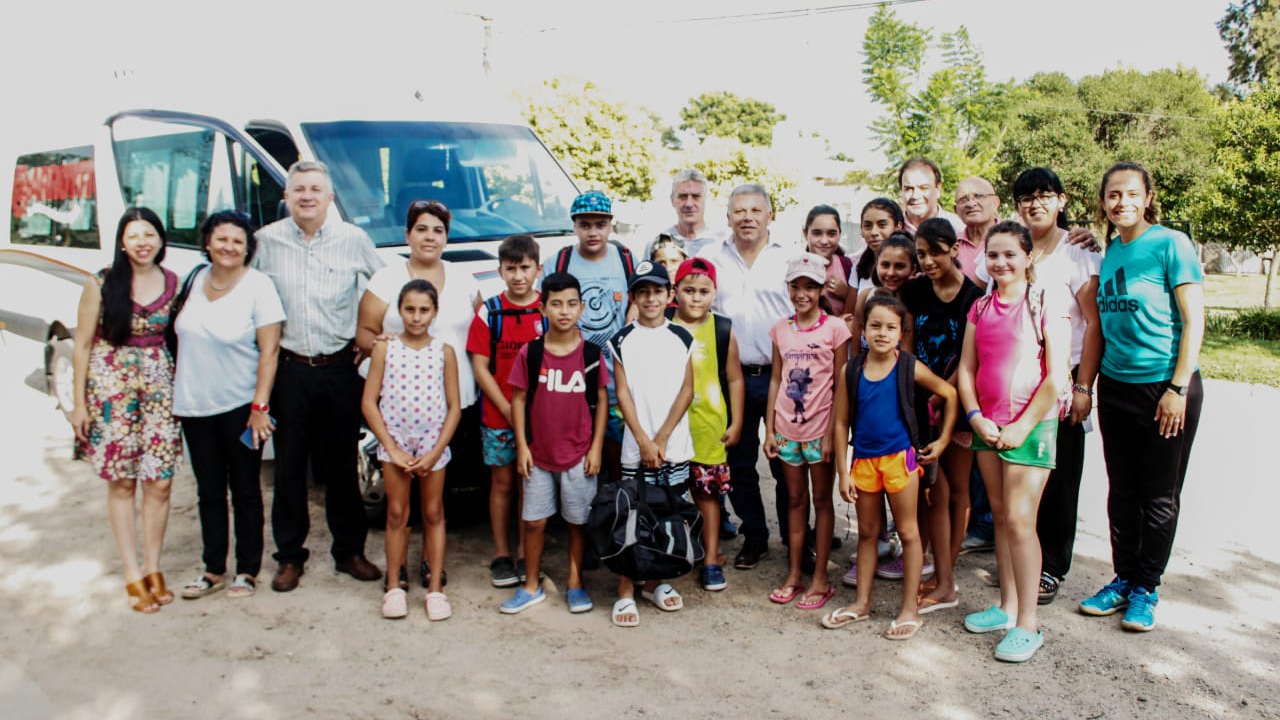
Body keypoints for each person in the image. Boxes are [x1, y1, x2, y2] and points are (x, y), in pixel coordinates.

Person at [1079, 162, 1204, 633]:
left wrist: (1178, 388)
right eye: (1113, 195)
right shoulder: (1110, 250)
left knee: (1158, 496)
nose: (1121, 202)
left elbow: (1193, 320)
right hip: (1117, 387)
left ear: (1148, 196)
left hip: (1164, 387)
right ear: (1103, 202)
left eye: (1131, 193)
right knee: (1122, 492)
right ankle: (1123, 578)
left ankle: (1147, 589)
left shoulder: (1172, 244)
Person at [254, 160, 384, 592]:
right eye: (299, 189)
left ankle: (349, 552)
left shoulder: (354, 240)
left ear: (330, 197)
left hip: (339, 371)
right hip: (290, 370)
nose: (307, 196)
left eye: (315, 189)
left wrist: (370, 339)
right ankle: (289, 558)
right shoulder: (265, 242)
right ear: (286, 197)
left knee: (342, 467)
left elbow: (384, 288)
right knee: (289, 468)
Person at [976, 168, 1101, 606]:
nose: (1035, 203)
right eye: (1026, 196)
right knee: (1013, 498)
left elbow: (1094, 323)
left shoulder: (1078, 251)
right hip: (1006, 391)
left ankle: (1051, 568)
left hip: (1059, 382)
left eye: (1045, 195)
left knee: (1059, 481)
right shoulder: (1006, 248)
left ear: (1062, 201)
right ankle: (1018, 579)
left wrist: (1083, 385)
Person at [958, 221, 1070, 663]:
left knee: (1022, 524)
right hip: (988, 427)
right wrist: (975, 417)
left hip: (1031, 428)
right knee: (1002, 518)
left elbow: (1057, 377)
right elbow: (966, 369)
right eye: (993, 255)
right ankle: (1006, 607)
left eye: (1009, 254)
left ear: (1028, 257)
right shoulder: (980, 307)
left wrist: (1021, 427)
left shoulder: (1045, 302)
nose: (1000, 263)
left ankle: (1029, 624)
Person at [357, 199, 481, 589]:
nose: (430, 237)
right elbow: (363, 332)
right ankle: (399, 568)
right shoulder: (386, 279)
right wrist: (381, 341)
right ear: (407, 234)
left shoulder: (464, 280)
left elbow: (482, 331)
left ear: (447, 236)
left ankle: (431, 563)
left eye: (438, 230)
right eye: (422, 229)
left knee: (438, 501)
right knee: (400, 502)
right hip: (399, 408)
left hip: (454, 404)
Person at [69, 207, 183, 613]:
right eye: (134, 235)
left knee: (160, 482)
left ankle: (154, 568)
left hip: (159, 392)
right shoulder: (101, 283)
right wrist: (79, 404)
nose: (142, 242)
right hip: (110, 392)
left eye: (149, 234)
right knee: (121, 483)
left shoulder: (174, 283)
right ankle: (133, 573)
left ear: (161, 239)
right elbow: (81, 345)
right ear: (122, 241)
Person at [826, 294, 956, 640]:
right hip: (864, 462)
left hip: (901, 459)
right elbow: (840, 424)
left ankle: (909, 609)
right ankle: (861, 603)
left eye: (891, 327)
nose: (882, 333)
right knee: (868, 534)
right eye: (875, 326)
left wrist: (941, 442)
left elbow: (949, 393)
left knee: (909, 533)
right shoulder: (851, 369)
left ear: (902, 332)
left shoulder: (909, 366)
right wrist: (843, 471)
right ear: (862, 329)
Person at [173, 211, 284, 601]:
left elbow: (269, 352)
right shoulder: (192, 281)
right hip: (193, 405)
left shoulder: (259, 286)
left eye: (238, 241)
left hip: (241, 405)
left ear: (248, 248)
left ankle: (248, 570)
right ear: (207, 242)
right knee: (208, 491)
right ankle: (213, 568)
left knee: (246, 489)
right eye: (222, 239)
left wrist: (260, 405)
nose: (229, 247)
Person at [697, 183, 796, 570]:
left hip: (780, 377)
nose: (748, 217)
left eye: (756, 210)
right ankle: (754, 536)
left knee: (784, 461)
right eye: (739, 211)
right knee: (738, 462)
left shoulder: (788, 258)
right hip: (729, 378)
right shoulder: (711, 258)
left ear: (770, 215)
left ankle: (794, 538)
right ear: (728, 217)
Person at [502, 272, 609, 615]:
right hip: (539, 455)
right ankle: (531, 584)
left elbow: (603, 401)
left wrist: (595, 448)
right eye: (556, 304)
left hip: (579, 455)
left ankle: (576, 584)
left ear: (581, 308)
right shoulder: (531, 353)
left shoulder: (592, 354)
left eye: (572, 304)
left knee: (578, 521)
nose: (564, 311)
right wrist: (522, 446)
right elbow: (518, 400)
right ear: (543, 307)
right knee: (534, 522)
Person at [363, 279, 461, 620]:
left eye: (424, 310)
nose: (416, 317)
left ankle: (435, 588)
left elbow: (454, 407)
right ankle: (394, 585)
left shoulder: (444, 351)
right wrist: (392, 447)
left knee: (433, 513)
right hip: (396, 444)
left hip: (433, 444)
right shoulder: (384, 349)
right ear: (399, 310)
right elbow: (369, 402)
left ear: (435, 312)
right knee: (396, 513)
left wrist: (436, 452)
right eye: (409, 309)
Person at [902, 218, 984, 614]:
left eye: (936, 251)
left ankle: (945, 573)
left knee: (956, 488)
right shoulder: (915, 290)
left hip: (957, 399)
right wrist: (924, 394)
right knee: (933, 487)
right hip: (921, 399)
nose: (929, 260)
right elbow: (909, 342)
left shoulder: (973, 296)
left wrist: (942, 394)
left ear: (955, 249)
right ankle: (937, 567)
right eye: (921, 254)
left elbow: (970, 355)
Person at [609, 261, 695, 627]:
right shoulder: (621, 340)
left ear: (669, 295)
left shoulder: (682, 337)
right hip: (636, 447)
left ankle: (656, 581)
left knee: (665, 514)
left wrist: (660, 438)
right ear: (633, 297)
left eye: (657, 291)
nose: (650, 298)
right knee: (632, 516)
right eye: (642, 292)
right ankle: (626, 589)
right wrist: (644, 440)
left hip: (672, 445)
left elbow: (687, 390)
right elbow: (623, 394)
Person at [764, 253, 852, 611]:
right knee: (794, 500)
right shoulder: (780, 329)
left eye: (810, 287)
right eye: (796, 286)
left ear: (820, 289)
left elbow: (842, 384)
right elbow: (775, 379)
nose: (802, 294)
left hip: (821, 429)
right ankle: (794, 574)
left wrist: (834, 432)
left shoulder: (836, 329)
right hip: (786, 429)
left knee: (821, 501)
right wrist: (769, 429)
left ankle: (820, 578)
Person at [465, 234, 544, 588]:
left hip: (540, 418)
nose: (518, 276)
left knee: (531, 484)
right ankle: (501, 553)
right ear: (499, 270)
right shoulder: (490, 312)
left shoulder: (547, 308)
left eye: (525, 267)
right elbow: (480, 367)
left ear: (538, 269)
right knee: (501, 484)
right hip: (499, 416)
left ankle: (528, 552)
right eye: (510, 268)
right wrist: (509, 409)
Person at [543, 190, 635, 483]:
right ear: (574, 225)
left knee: (619, 452)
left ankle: (618, 510)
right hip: (574, 377)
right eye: (585, 224)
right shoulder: (559, 261)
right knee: (579, 455)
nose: (593, 232)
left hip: (618, 376)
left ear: (610, 224)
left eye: (600, 224)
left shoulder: (624, 257)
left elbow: (639, 298)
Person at [669, 258, 745, 592]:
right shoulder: (663, 325)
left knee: (708, 496)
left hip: (709, 428)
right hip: (669, 429)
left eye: (704, 291)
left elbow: (735, 379)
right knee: (669, 494)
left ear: (714, 292)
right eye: (689, 290)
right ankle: (669, 552)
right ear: (676, 292)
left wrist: (738, 421)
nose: (696, 298)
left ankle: (711, 558)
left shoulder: (722, 328)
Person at [642, 168, 724, 260]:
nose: (689, 204)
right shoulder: (657, 244)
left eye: (696, 196)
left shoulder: (723, 243)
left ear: (705, 199)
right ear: (672, 201)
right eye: (683, 197)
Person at [802, 205, 855, 319]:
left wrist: (847, 293)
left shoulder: (848, 266)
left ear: (839, 234)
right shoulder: (796, 267)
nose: (824, 241)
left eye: (831, 234)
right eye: (817, 233)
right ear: (805, 233)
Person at [952, 177, 1002, 283]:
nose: (971, 204)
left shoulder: (1013, 239)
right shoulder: (951, 246)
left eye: (978, 196)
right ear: (956, 210)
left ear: (995, 203)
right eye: (963, 199)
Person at [898, 158, 965, 236]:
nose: (915, 196)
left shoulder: (959, 229)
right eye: (909, 189)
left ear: (938, 189)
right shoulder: (890, 229)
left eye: (923, 188)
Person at [852, 198, 905, 294]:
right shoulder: (859, 268)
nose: (874, 232)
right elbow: (850, 308)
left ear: (898, 227)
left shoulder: (912, 269)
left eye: (882, 225)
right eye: (868, 226)